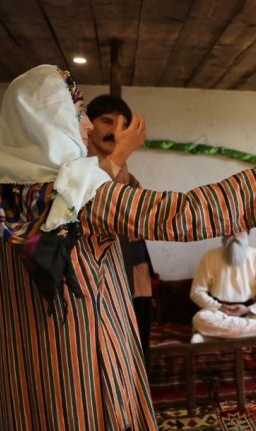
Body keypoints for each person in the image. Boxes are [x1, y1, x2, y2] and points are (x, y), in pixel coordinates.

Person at [0, 64, 256, 430]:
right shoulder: (78, 193)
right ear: (47, 118)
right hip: (81, 360)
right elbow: (176, 213)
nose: (88, 126)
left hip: (22, 359)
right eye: (78, 113)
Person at [86, 94, 155, 373]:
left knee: (136, 350)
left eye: (122, 125)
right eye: (106, 121)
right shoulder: (78, 167)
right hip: (99, 274)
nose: (114, 130)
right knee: (104, 355)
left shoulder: (126, 171)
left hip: (134, 269)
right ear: (88, 126)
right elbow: (89, 203)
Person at [189, 231, 256, 342]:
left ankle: (210, 337)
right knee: (199, 319)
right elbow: (196, 292)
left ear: (247, 233)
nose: (234, 235)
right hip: (219, 312)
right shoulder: (209, 256)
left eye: (239, 231)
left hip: (250, 312)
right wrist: (218, 307)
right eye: (230, 231)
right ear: (223, 234)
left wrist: (249, 309)